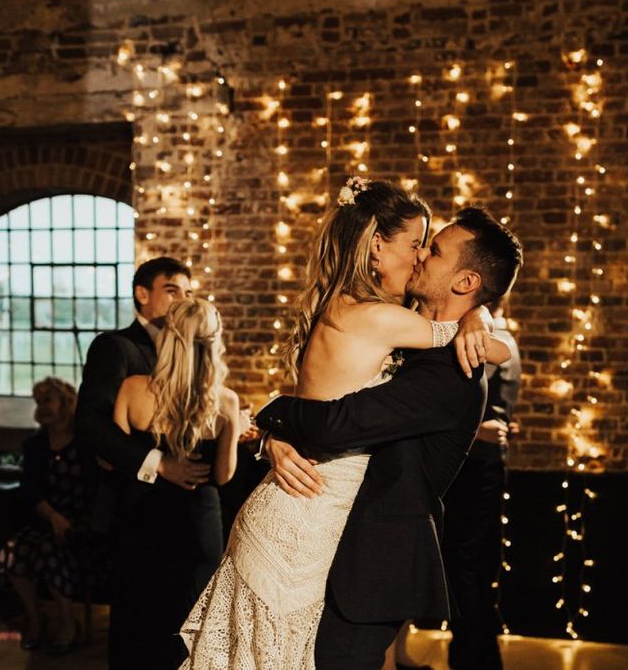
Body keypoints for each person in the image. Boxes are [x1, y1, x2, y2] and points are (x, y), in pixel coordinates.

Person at [179, 179, 511, 669]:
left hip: (359, 553)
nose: (420, 257)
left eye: (431, 250)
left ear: (465, 282)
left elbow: (335, 422)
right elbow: (334, 420)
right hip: (307, 515)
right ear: (377, 245)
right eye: (417, 244)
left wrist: (477, 318)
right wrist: (270, 431)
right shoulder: (388, 320)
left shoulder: (449, 369)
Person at [74, 256, 213, 669]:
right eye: (172, 291)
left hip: (184, 512)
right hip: (133, 509)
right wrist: (158, 462)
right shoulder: (117, 347)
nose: (182, 301)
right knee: (135, 627)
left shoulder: (191, 353)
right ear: (142, 294)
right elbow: (91, 424)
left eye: (188, 293)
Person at [113, 297, 240, 669]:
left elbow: (116, 457)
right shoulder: (226, 402)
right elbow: (222, 476)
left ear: (168, 339)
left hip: (142, 519)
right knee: (188, 632)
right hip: (197, 525)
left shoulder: (132, 389)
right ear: (214, 343)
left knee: (141, 625)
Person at [0, 377, 102, 654]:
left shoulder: (86, 442)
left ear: (66, 403)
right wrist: (53, 516)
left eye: (48, 400)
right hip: (47, 520)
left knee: (48, 549)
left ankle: (67, 622)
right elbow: (29, 490)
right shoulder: (35, 445)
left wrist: (71, 521)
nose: (41, 407)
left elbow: (99, 488)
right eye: (38, 401)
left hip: (82, 523)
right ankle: (35, 618)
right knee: (10, 552)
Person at [441, 307, 522, 670]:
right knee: (474, 568)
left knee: (465, 568)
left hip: (473, 466)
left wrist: (478, 432)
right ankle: (481, 658)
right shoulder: (506, 337)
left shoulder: (486, 339)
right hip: (485, 465)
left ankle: (472, 659)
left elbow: (466, 406)